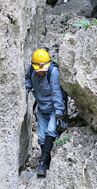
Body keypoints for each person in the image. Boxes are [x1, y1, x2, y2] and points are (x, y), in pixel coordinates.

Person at [25, 49, 66, 177]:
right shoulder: (31, 69)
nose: (41, 72)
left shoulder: (53, 72)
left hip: (54, 108)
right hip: (42, 108)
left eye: (43, 70)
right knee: (41, 138)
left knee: (51, 130)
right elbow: (27, 79)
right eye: (39, 71)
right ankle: (47, 159)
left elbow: (56, 93)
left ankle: (42, 163)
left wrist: (59, 112)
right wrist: (26, 91)